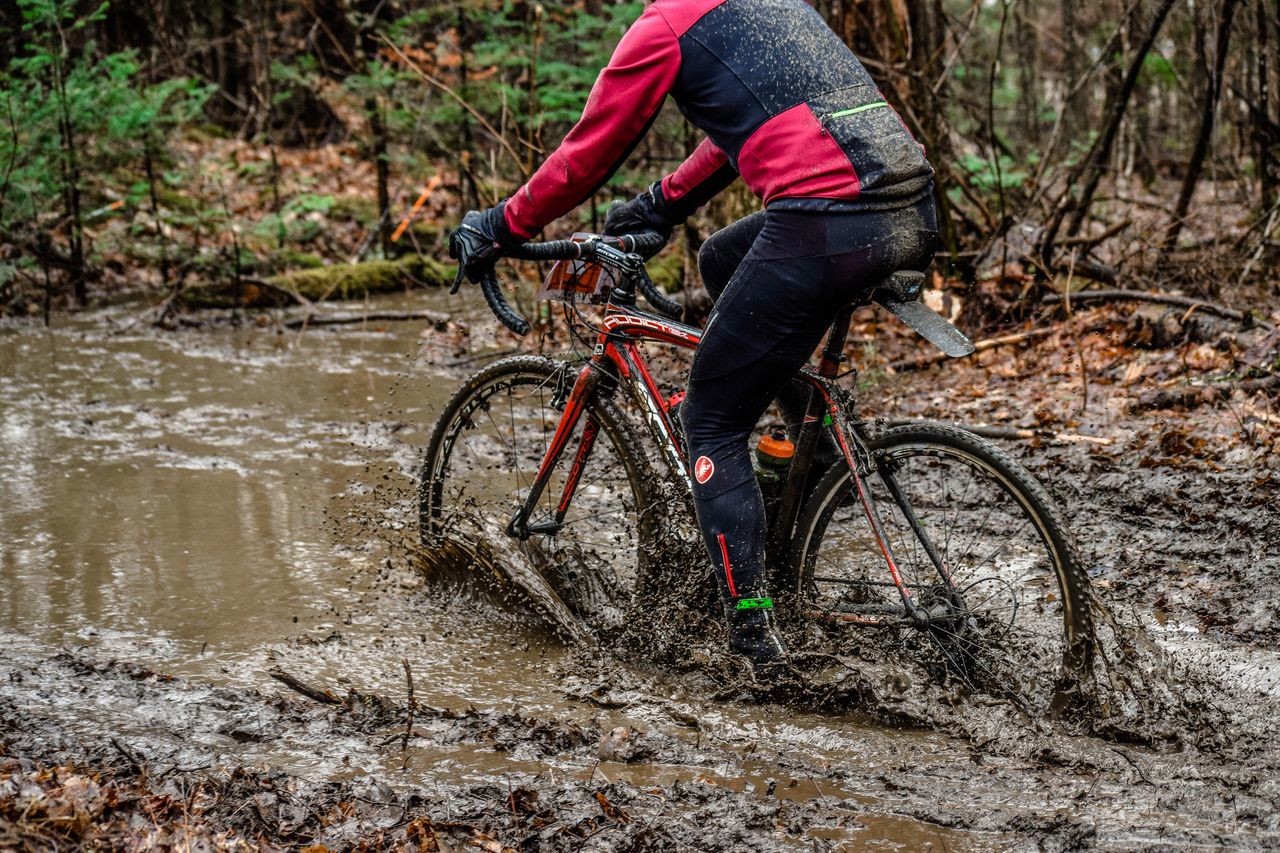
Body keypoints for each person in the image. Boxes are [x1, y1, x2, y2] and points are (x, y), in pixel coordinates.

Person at [450, 0, 937, 668]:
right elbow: (747, 131)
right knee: (720, 260)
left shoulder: (666, 26)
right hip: (908, 206)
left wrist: (503, 226)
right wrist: (660, 205)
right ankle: (811, 450)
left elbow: (589, 150)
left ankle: (751, 643)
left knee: (710, 418)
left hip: (827, 220)